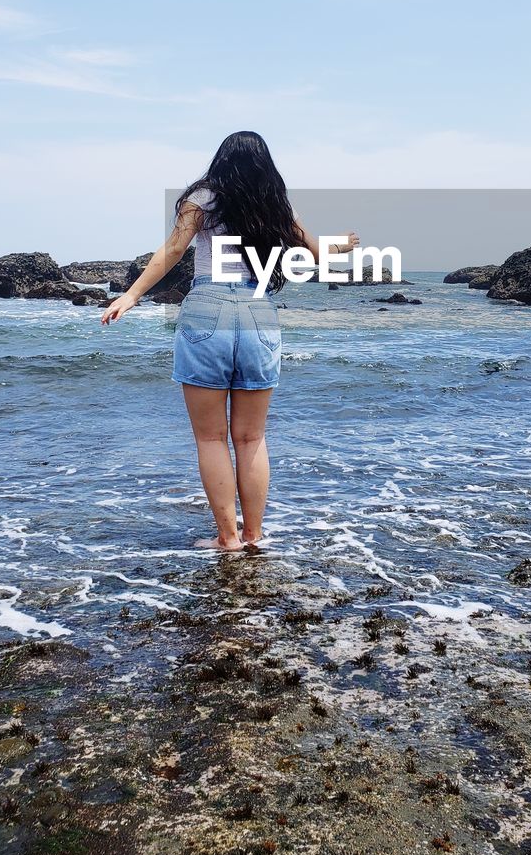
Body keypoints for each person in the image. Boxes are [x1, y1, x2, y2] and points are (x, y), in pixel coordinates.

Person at [101, 131, 358, 551]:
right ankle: (254, 535)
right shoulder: (274, 203)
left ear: (221, 161)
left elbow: (172, 251)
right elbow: (317, 254)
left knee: (211, 438)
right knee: (251, 438)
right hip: (259, 311)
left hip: (207, 309)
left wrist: (131, 296)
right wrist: (343, 244)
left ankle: (228, 538)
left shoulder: (202, 198)